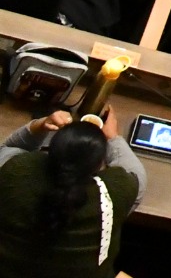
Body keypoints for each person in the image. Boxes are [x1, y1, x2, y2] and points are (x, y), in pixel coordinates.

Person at [0, 107, 147, 277]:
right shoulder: (114, 192)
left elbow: (8, 147)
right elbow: (137, 174)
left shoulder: (16, 169)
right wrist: (112, 137)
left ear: (49, 152)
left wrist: (40, 125)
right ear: (98, 166)